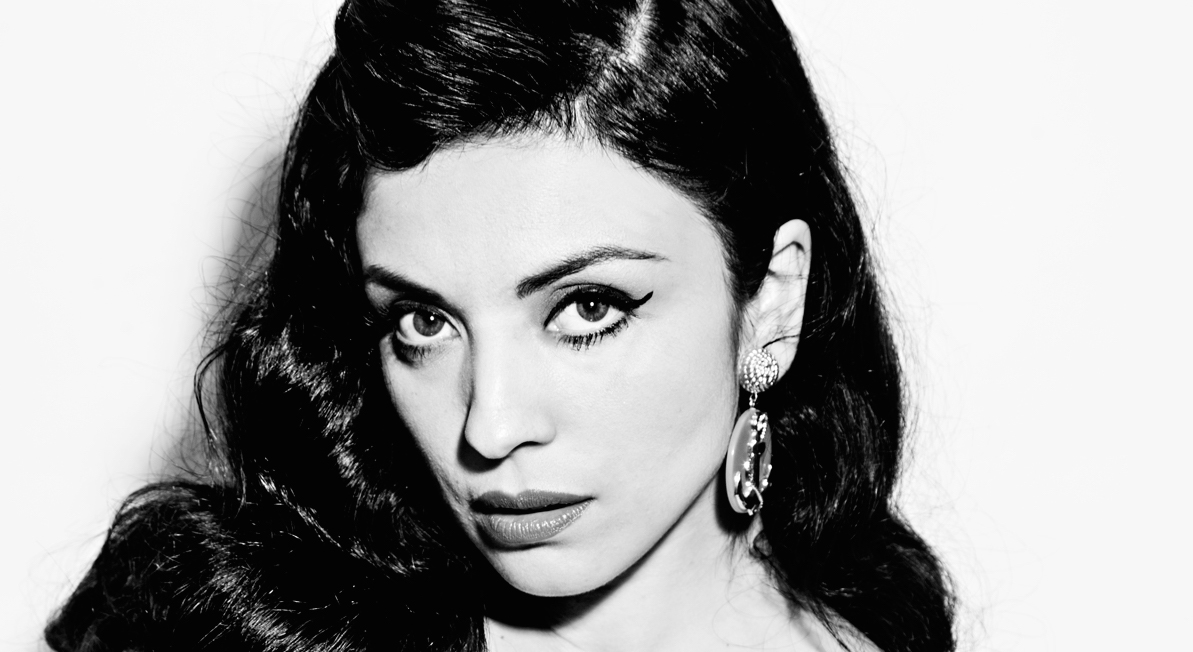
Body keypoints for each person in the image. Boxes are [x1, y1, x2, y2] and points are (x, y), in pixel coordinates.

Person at [45, 0, 955, 650]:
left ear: (772, 299)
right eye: (423, 322)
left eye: (587, 309)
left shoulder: (889, 627)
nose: (489, 427)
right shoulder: (237, 629)